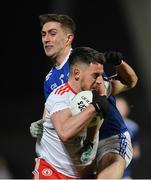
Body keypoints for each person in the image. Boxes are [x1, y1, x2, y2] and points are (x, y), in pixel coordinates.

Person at [30, 13, 138, 179]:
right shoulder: (49, 79)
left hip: (109, 139)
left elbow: (122, 85)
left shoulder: (85, 61)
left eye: (53, 33)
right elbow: (56, 109)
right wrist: (43, 122)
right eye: (43, 34)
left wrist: (119, 63)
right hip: (80, 150)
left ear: (68, 38)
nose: (46, 39)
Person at [33, 46, 108, 179]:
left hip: (82, 174)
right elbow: (65, 133)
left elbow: (130, 82)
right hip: (53, 172)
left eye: (101, 75)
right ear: (77, 73)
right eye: (95, 75)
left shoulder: (97, 90)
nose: (100, 80)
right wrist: (93, 107)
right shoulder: (60, 98)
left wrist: (119, 63)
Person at [116, 96, 141, 179]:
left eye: (123, 106)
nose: (121, 109)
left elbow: (136, 150)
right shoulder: (106, 125)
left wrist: (128, 155)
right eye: (118, 106)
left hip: (126, 173)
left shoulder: (133, 126)